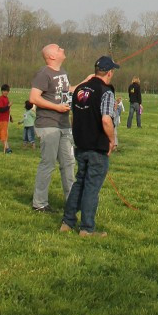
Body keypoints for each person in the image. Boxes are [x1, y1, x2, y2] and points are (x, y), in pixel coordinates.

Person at [59, 55, 119, 238]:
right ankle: (87, 229)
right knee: (92, 187)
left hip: (81, 144)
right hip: (96, 147)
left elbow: (74, 117)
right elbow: (106, 120)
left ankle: (67, 223)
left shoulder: (80, 89)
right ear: (109, 73)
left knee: (80, 183)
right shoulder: (105, 91)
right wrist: (112, 140)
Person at [29, 44, 75, 212]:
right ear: (52, 56)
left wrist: (88, 81)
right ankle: (39, 203)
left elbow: (67, 91)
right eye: (58, 48)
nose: (62, 48)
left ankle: (72, 202)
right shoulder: (43, 73)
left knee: (69, 163)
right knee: (48, 164)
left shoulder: (63, 73)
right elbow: (34, 97)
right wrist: (56, 108)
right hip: (48, 125)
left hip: (63, 124)